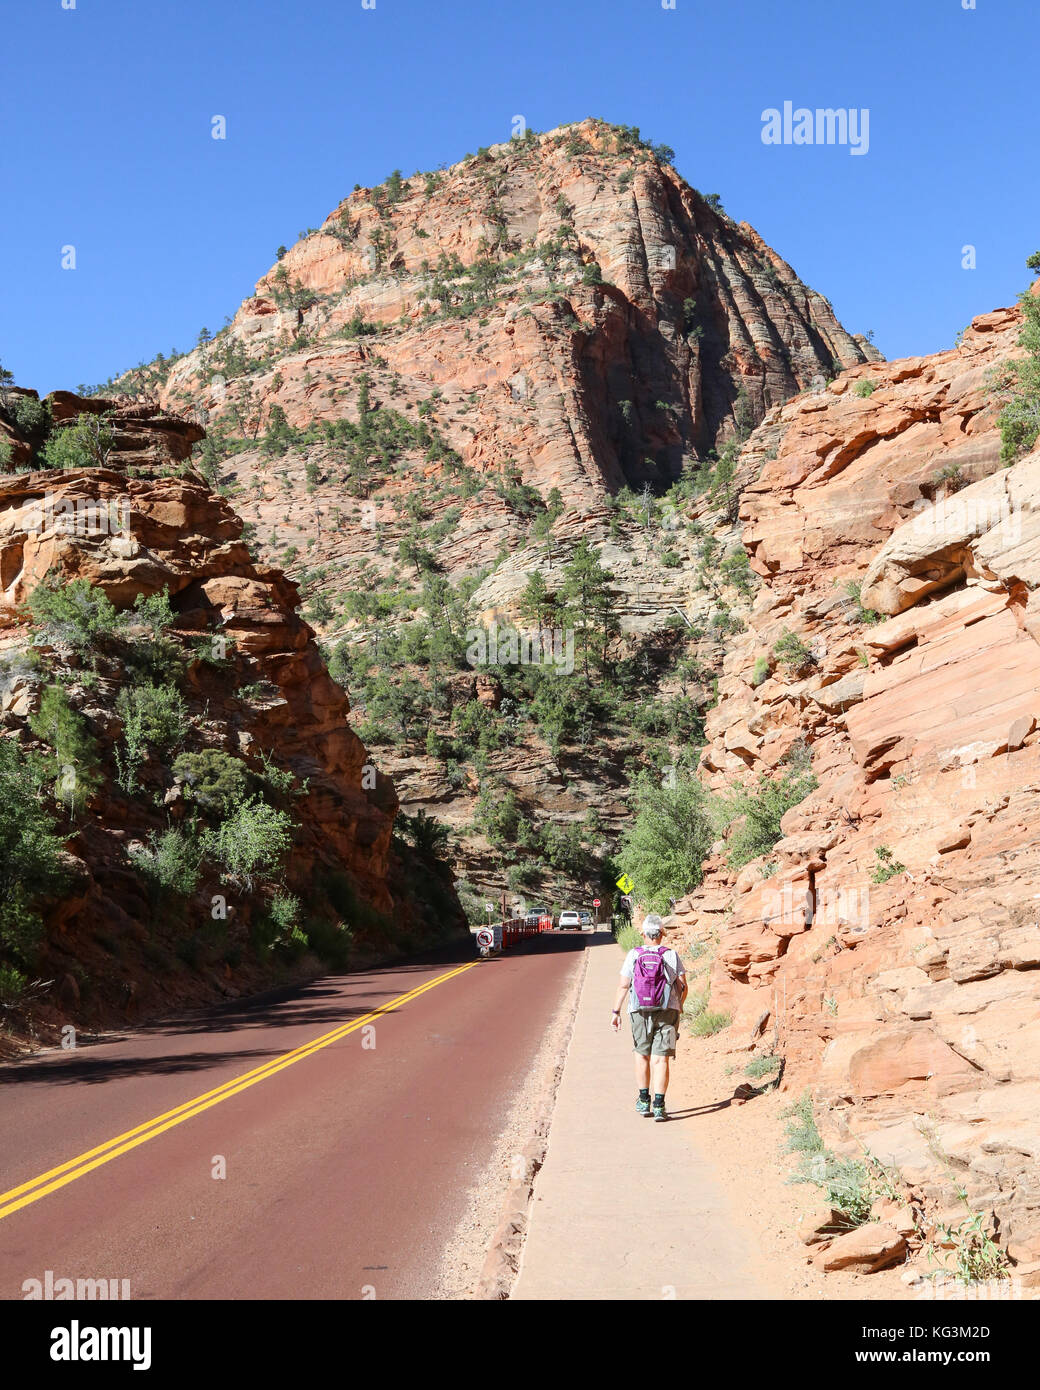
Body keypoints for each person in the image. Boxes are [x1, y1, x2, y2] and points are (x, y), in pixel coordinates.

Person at [611, 914, 687, 1121]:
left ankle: (644, 1101)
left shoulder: (634, 954)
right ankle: (660, 1106)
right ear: (662, 934)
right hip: (668, 1011)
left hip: (638, 1011)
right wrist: (679, 1007)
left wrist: (616, 1012)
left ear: (643, 934)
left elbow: (624, 985)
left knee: (641, 1054)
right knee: (662, 1059)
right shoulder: (671, 954)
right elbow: (683, 985)